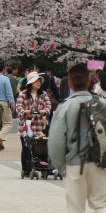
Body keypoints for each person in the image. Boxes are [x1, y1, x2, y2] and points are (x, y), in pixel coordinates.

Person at [48, 63, 106, 212]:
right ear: (89, 82)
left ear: (69, 83)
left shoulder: (66, 107)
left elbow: (56, 142)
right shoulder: (102, 104)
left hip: (75, 162)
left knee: (75, 208)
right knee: (100, 205)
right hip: (100, 162)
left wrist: (61, 167)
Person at [15, 71, 52, 178]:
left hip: (40, 125)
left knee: (41, 148)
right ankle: (26, 169)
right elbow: (18, 107)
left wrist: (44, 111)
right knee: (26, 148)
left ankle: (42, 167)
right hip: (26, 126)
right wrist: (25, 112)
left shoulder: (43, 94)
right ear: (30, 83)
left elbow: (48, 106)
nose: (38, 83)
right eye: (36, 81)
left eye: (39, 81)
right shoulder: (23, 94)